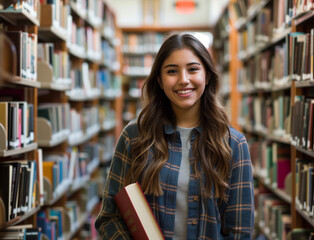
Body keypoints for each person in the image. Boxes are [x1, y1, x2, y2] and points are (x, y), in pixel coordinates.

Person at [95, 33, 254, 239]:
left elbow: (240, 231)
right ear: (160, 80)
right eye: (172, 71)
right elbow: (109, 217)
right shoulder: (134, 136)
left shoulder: (233, 144)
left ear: (207, 75)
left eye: (193, 69)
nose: (183, 80)